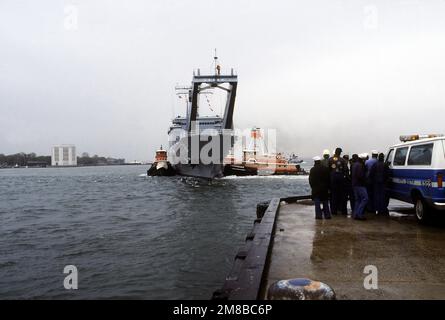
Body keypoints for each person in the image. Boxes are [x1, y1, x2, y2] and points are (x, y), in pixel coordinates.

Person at [328, 147, 348, 215]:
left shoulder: (330, 159)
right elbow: (345, 170)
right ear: (339, 152)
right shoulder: (343, 160)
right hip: (341, 179)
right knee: (342, 195)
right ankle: (343, 210)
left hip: (332, 178)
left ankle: (333, 211)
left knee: (333, 195)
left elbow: (328, 170)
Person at [351, 154, 368, 220]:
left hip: (355, 184)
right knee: (365, 198)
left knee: (358, 200)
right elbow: (360, 176)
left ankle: (355, 215)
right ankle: (359, 214)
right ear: (363, 159)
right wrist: (365, 179)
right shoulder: (360, 165)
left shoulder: (354, 164)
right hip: (360, 185)